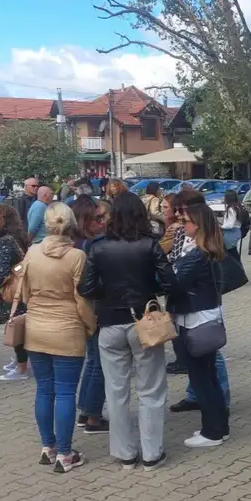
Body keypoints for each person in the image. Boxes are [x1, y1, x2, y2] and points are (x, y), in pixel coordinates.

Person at [78, 192, 176, 471]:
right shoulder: (150, 245)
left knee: (116, 391)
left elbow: (84, 288)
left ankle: (125, 454)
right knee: (151, 390)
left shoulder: (97, 247)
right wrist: (151, 292)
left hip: (110, 323)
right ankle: (152, 453)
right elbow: (170, 281)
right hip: (144, 321)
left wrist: (107, 295)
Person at [19, 203, 96, 473]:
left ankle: (48, 447)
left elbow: (25, 294)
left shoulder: (31, 252)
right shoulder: (77, 256)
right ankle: (65, 453)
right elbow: (82, 300)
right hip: (67, 328)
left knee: (44, 389)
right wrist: (90, 326)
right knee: (65, 392)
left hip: (36, 327)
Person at [168, 197, 231, 448]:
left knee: (201, 377)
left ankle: (212, 431)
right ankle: (217, 426)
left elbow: (175, 281)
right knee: (208, 376)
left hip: (196, 321)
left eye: (186, 221)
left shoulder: (198, 255)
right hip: (203, 316)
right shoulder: (209, 250)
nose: (183, 225)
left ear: (199, 224)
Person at [70, 196, 110, 434]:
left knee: (93, 360)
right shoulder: (87, 245)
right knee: (100, 362)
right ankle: (93, 415)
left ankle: (86, 411)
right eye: (98, 217)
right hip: (93, 308)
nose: (102, 221)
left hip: (83, 309)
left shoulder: (75, 242)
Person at [0, 204, 30, 382]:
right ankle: (22, 361)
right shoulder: (19, 237)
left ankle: (21, 368)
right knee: (21, 325)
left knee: (16, 326)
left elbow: (1, 270)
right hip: (22, 288)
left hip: (12, 290)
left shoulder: (5, 240)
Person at [220, 189, 243, 260]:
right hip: (237, 231)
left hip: (231, 233)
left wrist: (220, 227)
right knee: (235, 254)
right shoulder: (237, 207)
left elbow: (230, 224)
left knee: (231, 255)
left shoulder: (231, 209)